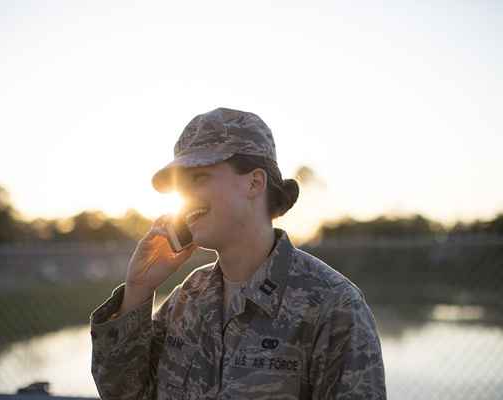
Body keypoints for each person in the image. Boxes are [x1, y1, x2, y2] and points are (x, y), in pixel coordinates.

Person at [89, 107, 386, 399]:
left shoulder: (333, 306)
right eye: (181, 185)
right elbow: (124, 394)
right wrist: (138, 290)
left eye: (199, 178)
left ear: (254, 182)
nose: (185, 197)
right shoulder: (187, 299)